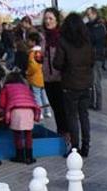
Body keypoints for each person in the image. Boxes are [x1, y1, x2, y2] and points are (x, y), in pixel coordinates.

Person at [53, 13, 94, 157]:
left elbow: (57, 63)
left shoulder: (63, 42)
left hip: (69, 84)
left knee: (72, 117)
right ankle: (86, 146)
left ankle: (75, 148)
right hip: (86, 83)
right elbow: (92, 61)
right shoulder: (87, 42)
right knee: (84, 116)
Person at [0, 71, 42, 164]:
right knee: (28, 134)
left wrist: (3, 110)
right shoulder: (25, 87)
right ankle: (29, 157)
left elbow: (2, 103)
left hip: (16, 111)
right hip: (29, 110)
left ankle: (20, 156)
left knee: (17, 134)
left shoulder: (6, 88)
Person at [42, 8, 68, 139]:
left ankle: (68, 138)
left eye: (50, 18)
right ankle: (61, 135)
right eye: (46, 18)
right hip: (47, 79)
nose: (47, 21)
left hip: (60, 79)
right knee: (56, 109)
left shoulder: (61, 37)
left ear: (57, 21)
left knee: (63, 110)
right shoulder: (43, 37)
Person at [26, 32, 52, 119]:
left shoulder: (32, 53)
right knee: (44, 95)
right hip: (43, 76)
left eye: (29, 41)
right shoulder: (42, 51)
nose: (27, 42)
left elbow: (33, 67)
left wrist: (28, 73)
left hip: (35, 78)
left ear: (33, 42)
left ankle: (39, 112)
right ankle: (47, 111)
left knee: (36, 95)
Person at [86, 7, 107, 111]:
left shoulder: (100, 26)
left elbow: (93, 38)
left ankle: (98, 104)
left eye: (89, 14)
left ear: (94, 14)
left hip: (97, 56)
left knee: (96, 81)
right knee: (90, 81)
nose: (87, 16)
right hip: (88, 56)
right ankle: (90, 102)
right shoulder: (89, 26)